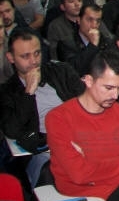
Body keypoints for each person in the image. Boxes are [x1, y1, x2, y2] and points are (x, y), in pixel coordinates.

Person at [46, 50, 119, 199]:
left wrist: (91, 167)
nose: (115, 95)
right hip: (80, 197)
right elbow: (79, 174)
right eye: (108, 88)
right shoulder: (58, 118)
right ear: (89, 81)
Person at [0, 30, 84, 187]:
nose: (33, 61)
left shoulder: (61, 71)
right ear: (11, 58)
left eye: (37, 53)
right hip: (45, 149)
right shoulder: (7, 91)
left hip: (81, 137)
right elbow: (12, 130)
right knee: (56, 170)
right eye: (25, 56)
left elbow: (87, 103)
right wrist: (28, 93)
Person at [57, 4, 114, 76]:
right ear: (78, 20)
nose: (94, 25)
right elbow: (74, 71)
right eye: (89, 20)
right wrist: (92, 46)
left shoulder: (107, 42)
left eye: (98, 21)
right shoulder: (66, 44)